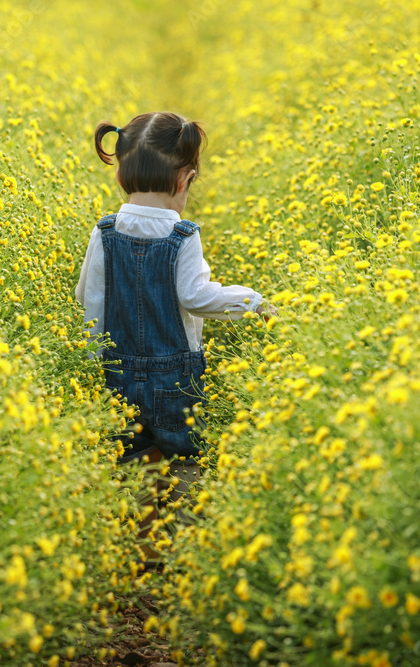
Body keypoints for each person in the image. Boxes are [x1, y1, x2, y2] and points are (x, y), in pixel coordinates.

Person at [74, 111, 276, 564]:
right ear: (186, 179)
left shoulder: (104, 231)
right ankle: (186, 548)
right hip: (175, 376)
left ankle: (143, 549)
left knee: (132, 457)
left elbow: (89, 298)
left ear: (122, 172)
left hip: (117, 370)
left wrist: (92, 359)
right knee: (185, 456)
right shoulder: (182, 235)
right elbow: (197, 296)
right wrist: (253, 302)